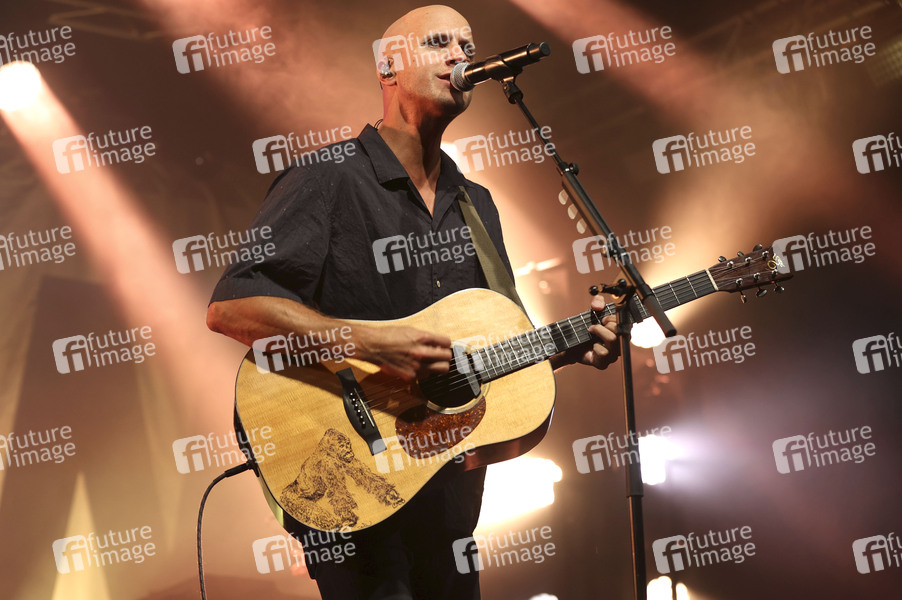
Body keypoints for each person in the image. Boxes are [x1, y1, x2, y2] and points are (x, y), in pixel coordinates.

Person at [206, 5, 620, 599]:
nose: (460, 56)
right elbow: (232, 307)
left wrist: (570, 347)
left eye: (467, 46)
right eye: (438, 42)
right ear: (387, 67)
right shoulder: (328, 177)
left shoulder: (476, 203)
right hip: (350, 481)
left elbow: (487, 357)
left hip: (449, 500)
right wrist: (373, 343)